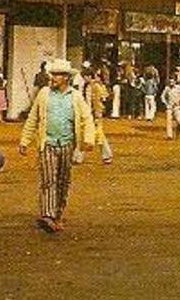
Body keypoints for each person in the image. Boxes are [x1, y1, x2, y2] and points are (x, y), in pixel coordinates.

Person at [18, 58, 95, 233]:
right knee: (48, 180)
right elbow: (33, 119)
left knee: (63, 181)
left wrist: (88, 140)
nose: (53, 77)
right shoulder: (44, 94)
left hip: (67, 144)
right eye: (52, 74)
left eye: (57, 75)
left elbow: (86, 118)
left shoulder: (75, 97)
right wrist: (25, 141)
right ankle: (48, 214)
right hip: (48, 144)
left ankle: (57, 213)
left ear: (66, 77)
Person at [85, 67, 113, 164]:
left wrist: (95, 112)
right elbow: (105, 97)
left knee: (97, 134)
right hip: (94, 113)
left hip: (94, 113)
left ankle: (107, 155)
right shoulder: (97, 85)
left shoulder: (93, 86)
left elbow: (96, 101)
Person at [162, 74, 180, 139]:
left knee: (179, 121)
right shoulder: (167, 88)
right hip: (169, 107)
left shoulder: (178, 88)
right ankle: (169, 135)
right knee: (168, 121)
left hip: (177, 107)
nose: (171, 83)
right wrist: (165, 103)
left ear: (175, 82)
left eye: (172, 82)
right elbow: (162, 96)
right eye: (170, 82)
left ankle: (177, 133)